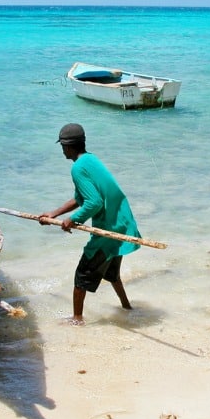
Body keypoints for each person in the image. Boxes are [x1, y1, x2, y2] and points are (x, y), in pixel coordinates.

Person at [40, 123, 141, 325]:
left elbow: (94, 202)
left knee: (81, 276)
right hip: (121, 223)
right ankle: (127, 307)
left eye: (62, 146)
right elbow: (81, 198)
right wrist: (55, 213)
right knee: (112, 274)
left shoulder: (78, 168)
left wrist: (73, 219)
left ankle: (77, 319)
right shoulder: (90, 160)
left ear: (68, 146)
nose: (62, 150)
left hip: (107, 230)